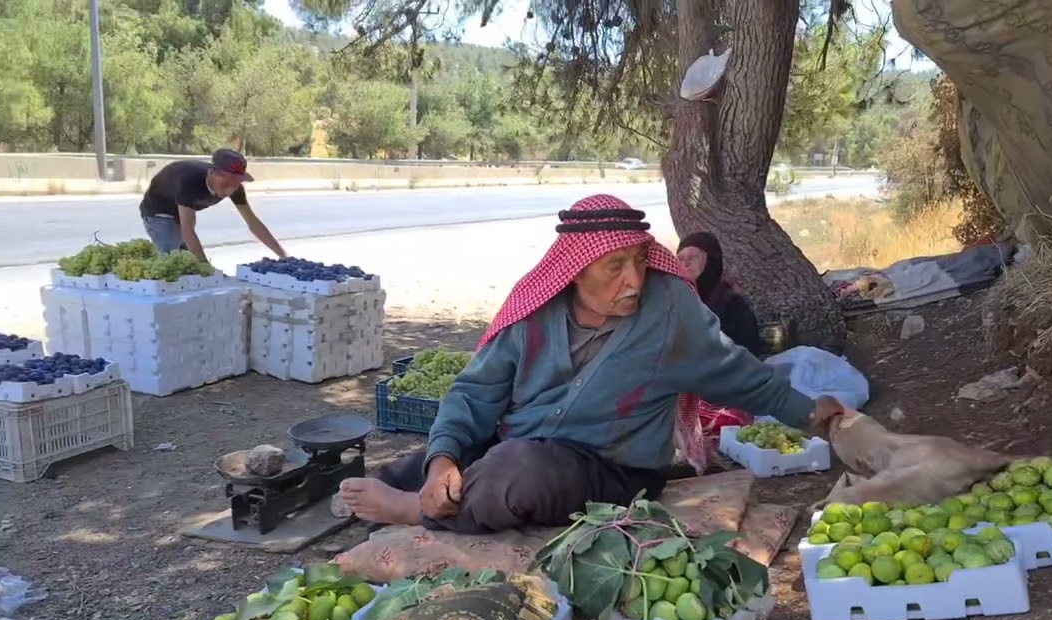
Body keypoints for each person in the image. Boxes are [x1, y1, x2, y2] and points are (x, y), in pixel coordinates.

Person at [339, 194, 847, 533]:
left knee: (513, 474)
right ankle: (421, 490)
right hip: (521, 437)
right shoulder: (534, 308)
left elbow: (742, 376)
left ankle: (416, 514)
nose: (633, 280)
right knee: (422, 465)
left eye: (641, 263)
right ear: (576, 269)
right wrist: (443, 461)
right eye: (615, 266)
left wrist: (812, 413)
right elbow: (475, 392)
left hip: (612, 469)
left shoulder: (669, 310)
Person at [137, 148, 287, 263]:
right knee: (174, 260)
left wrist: (283, 256)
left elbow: (253, 223)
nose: (230, 190)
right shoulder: (189, 181)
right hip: (159, 212)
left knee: (189, 262)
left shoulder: (235, 189)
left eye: (236, 183)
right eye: (226, 183)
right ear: (212, 173)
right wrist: (206, 267)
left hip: (183, 208)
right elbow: (187, 230)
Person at [675, 231, 763, 356]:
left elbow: (747, 353)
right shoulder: (675, 300)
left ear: (711, 261)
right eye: (680, 259)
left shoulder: (732, 305)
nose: (685, 264)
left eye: (693, 257)